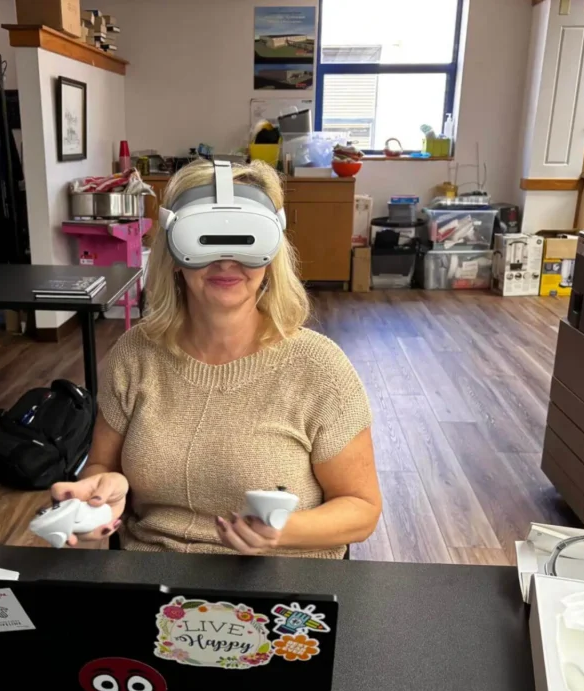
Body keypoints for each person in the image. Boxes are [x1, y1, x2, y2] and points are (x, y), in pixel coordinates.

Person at [52, 160, 381, 558]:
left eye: (245, 239)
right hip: (152, 582)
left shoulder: (319, 369)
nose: (226, 261)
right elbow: (101, 469)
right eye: (205, 239)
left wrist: (283, 531)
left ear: (272, 250)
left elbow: (362, 510)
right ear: (173, 250)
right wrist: (97, 502)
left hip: (280, 590)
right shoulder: (134, 355)